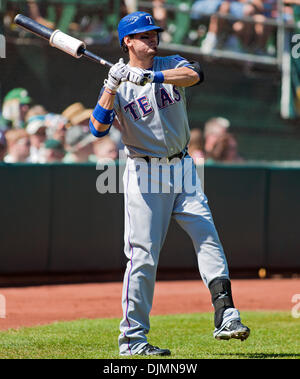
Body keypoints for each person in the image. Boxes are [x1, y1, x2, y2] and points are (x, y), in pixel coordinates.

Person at [89, 11, 250, 357]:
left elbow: (195, 74)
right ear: (127, 42)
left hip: (183, 165)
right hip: (144, 172)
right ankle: (132, 340)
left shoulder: (169, 62)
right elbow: (97, 129)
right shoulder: (117, 81)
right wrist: (111, 85)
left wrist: (153, 76)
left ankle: (226, 314)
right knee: (143, 257)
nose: (152, 39)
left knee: (207, 234)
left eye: (153, 33)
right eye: (144, 36)